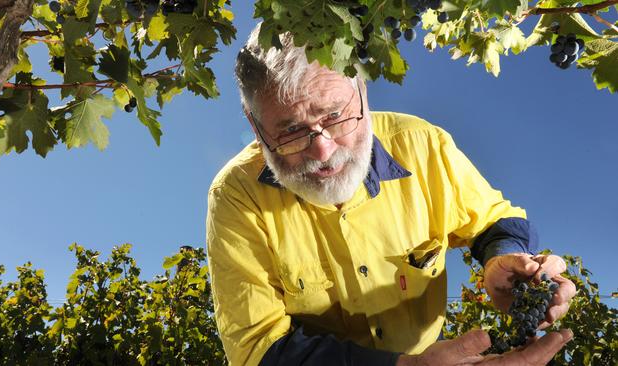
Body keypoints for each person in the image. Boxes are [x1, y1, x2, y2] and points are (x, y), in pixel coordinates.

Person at [205, 24, 576, 366]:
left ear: (362, 90)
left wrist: (504, 258)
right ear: (255, 127)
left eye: (335, 115)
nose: (322, 151)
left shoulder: (423, 145)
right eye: (291, 132)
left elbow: (494, 219)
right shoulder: (236, 196)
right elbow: (259, 348)